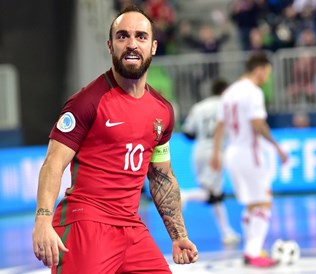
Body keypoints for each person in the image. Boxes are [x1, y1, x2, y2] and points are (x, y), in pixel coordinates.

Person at [32, 5, 198, 273]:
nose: (132, 44)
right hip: (85, 225)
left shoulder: (162, 111)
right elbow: (53, 163)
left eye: (141, 37)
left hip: (132, 227)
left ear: (153, 46)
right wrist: (43, 221)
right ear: (110, 45)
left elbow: (161, 176)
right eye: (123, 36)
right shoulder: (86, 102)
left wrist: (178, 236)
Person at [210, 52, 288, 268]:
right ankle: (254, 252)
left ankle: (251, 249)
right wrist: (277, 147)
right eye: (267, 73)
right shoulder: (253, 92)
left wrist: (216, 153)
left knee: (251, 205)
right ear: (259, 69)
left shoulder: (229, 92)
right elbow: (257, 124)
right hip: (249, 153)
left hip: (232, 153)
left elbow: (220, 126)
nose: (267, 78)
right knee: (263, 203)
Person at [181, 79, 241, 246]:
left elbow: (188, 132)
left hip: (198, 152)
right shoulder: (226, 106)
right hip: (216, 152)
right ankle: (185, 195)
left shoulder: (199, 107)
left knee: (214, 193)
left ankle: (226, 232)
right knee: (213, 195)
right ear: (224, 91)